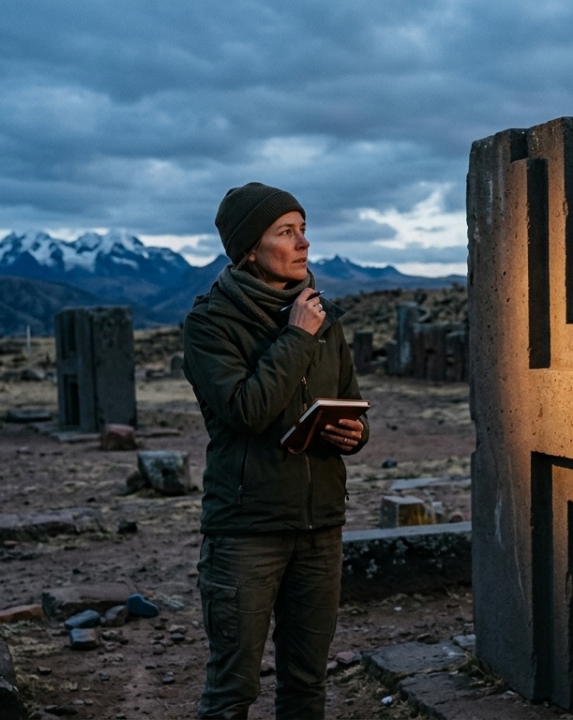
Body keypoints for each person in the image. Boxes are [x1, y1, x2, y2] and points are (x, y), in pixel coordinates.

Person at [183, 182, 368, 719]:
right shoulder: (210, 323)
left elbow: (350, 400)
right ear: (249, 249)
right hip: (248, 529)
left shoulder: (321, 316)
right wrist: (297, 337)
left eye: (303, 229)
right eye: (286, 232)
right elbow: (247, 410)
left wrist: (356, 434)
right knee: (232, 691)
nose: (303, 243)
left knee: (307, 683)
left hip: (320, 525)